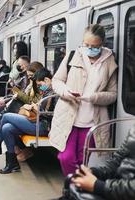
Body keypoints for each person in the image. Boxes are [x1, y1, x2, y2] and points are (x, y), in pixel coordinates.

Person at [49, 24, 118, 176]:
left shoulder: (109, 61)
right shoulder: (73, 55)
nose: (90, 49)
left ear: (102, 44)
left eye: (95, 46)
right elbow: (57, 81)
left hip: (93, 120)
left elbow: (113, 94)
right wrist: (66, 91)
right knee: (65, 157)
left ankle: (74, 191)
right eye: (86, 45)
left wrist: (94, 97)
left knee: (82, 160)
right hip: (69, 118)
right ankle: (74, 187)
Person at [0, 68, 57, 174]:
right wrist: (33, 105)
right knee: (6, 128)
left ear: (47, 80)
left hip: (44, 125)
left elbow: (49, 113)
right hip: (36, 120)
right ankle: (12, 164)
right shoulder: (45, 91)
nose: (39, 87)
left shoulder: (55, 94)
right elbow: (38, 103)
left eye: (40, 84)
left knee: (6, 116)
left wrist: (34, 106)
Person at [66, 125, 135, 200]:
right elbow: (117, 161)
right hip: (118, 187)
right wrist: (94, 172)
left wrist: (97, 186)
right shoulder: (133, 130)